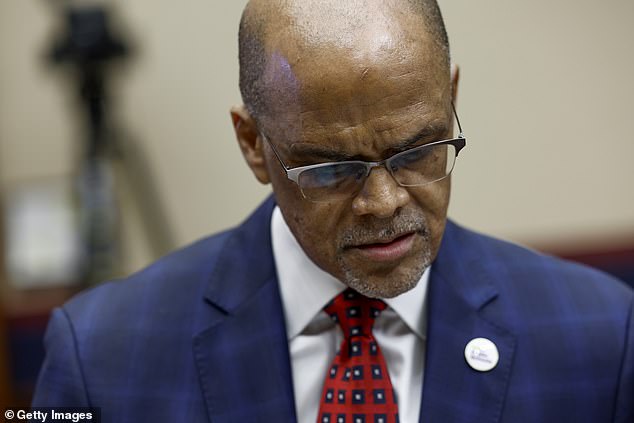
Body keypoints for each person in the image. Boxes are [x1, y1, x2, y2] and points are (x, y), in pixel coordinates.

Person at [33, 0, 633, 422]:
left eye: (419, 151)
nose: (384, 202)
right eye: (331, 169)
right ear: (253, 145)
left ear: (451, 102)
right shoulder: (100, 358)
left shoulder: (601, 339)